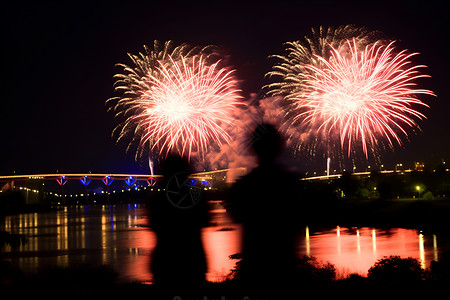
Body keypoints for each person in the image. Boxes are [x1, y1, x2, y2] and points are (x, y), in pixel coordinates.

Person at [227, 123, 302, 294]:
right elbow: (300, 218)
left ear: (253, 148)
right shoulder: (290, 183)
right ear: (279, 147)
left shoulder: (244, 185)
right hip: (285, 270)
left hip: (254, 271)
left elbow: (235, 216)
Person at [148, 153, 208, 290]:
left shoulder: (157, 201)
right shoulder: (197, 198)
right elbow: (205, 221)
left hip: (164, 263)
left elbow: (154, 225)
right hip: (194, 261)